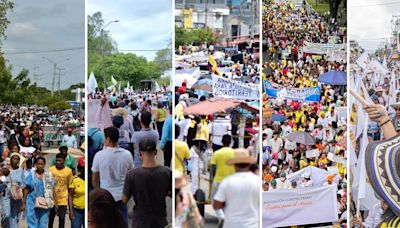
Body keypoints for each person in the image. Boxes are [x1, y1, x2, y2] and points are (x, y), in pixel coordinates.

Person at [122, 138, 172, 228]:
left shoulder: (131, 174)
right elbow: (173, 194)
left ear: (140, 154)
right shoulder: (166, 172)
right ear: (156, 152)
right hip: (160, 220)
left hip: (140, 221)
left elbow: (124, 200)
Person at [91, 126, 133, 228]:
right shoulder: (127, 155)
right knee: (123, 221)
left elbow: (95, 179)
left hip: (105, 197)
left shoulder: (99, 156)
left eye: (104, 137)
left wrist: (98, 192)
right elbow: (131, 176)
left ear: (108, 139)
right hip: (122, 196)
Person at [213, 148, 259, 228]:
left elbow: (216, 205)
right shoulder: (257, 181)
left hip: (231, 224)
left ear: (234, 164)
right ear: (249, 164)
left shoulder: (227, 182)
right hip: (252, 225)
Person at [22, 157, 54, 228]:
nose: (40, 165)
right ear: (35, 164)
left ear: (44, 165)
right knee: (32, 222)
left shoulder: (48, 175)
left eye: (42, 164)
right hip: (32, 202)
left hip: (45, 201)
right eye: (38, 164)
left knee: (43, 223)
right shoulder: (31, 175)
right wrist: (23, 202)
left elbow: (52, 189)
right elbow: (26, 189)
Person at [48, 153, 73, 228]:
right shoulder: (51, 170)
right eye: (57, 160)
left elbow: (70, 186)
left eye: (60, 160)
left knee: (62, 219)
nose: (58, 162)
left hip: (63, 199)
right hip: (52, 198)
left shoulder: (68, 171)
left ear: (64, 161)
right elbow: (48, 185)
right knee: (50, 219)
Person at [5, 153, 25, 227]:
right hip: (6, 194)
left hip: (17, 195)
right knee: (6, 214)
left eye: (17, 159)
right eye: (14, 158)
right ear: (10, 159)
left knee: (15, 215)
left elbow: (23, 184)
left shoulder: (21, 170)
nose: (15, 160)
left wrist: (23, 201)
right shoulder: (5, 169)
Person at [69, 157, 85, 228]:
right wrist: (71, 211)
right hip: (77, 211)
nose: (84, 170)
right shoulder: (74, 180)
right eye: (82, 168)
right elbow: (70, 196)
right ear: (80, 168)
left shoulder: (91, 180)